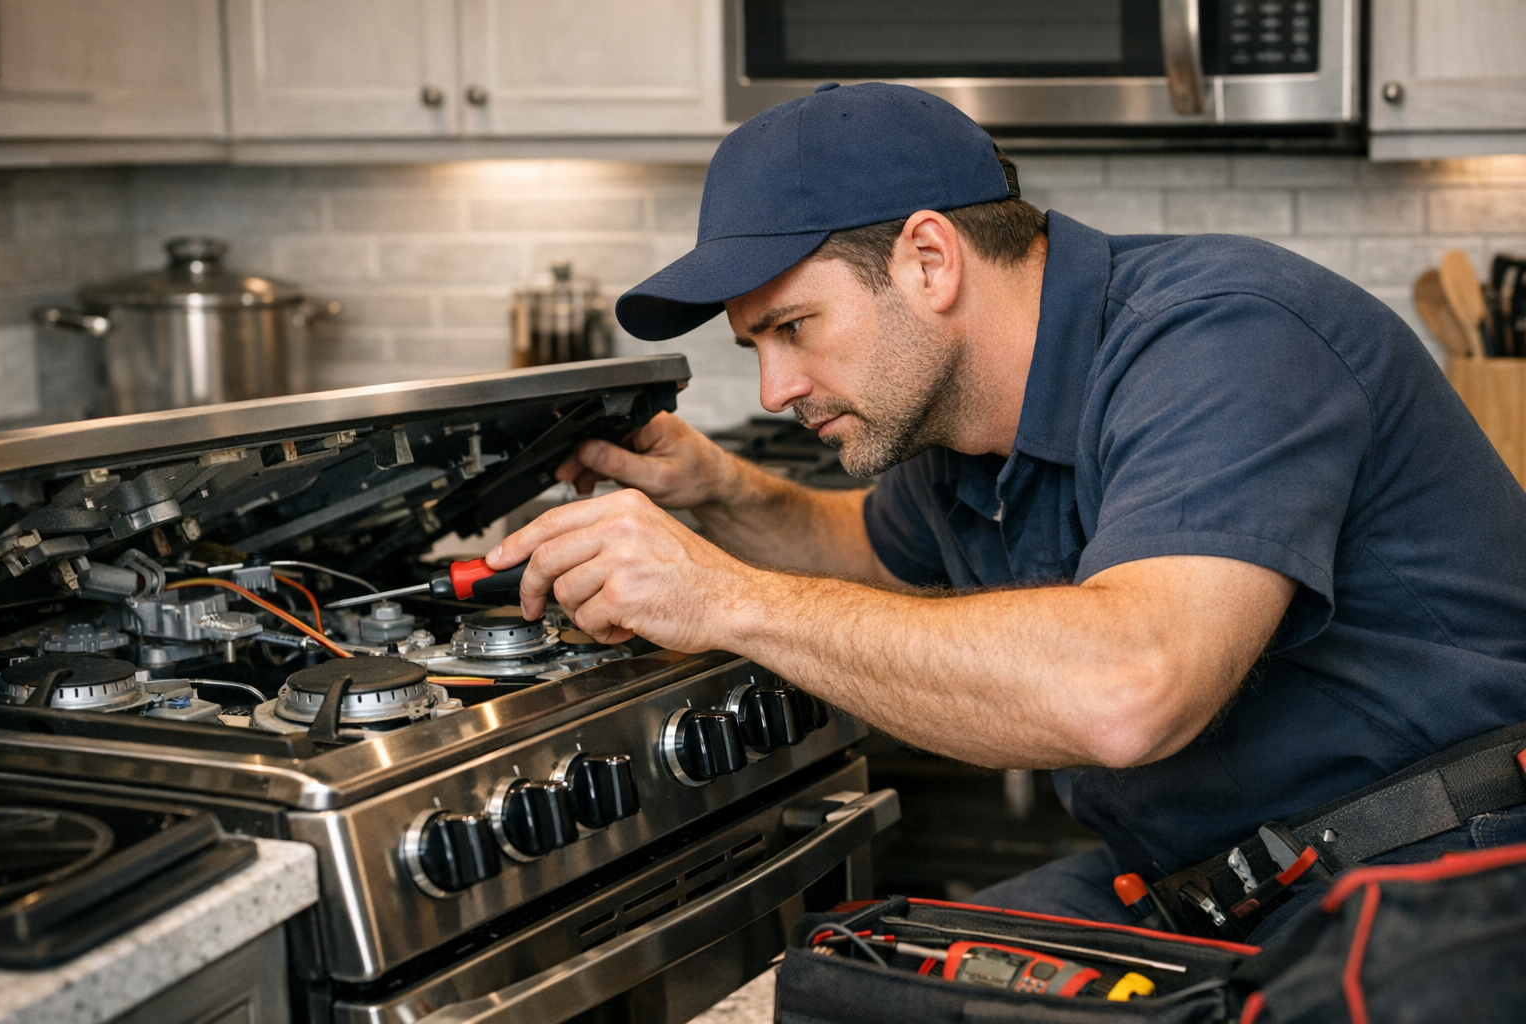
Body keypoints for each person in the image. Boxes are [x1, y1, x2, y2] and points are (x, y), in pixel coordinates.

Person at [485, 83, 1526, 940]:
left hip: (1441, 883)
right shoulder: (958, 421)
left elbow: (1129, 687)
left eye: (795, 326)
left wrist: (728, 601)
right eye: (756, 346)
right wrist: (720, 492)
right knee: (842, 980)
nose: (775, 389)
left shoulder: (1224, 338)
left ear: (930, 261)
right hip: (1212, 888)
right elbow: (870, 556)